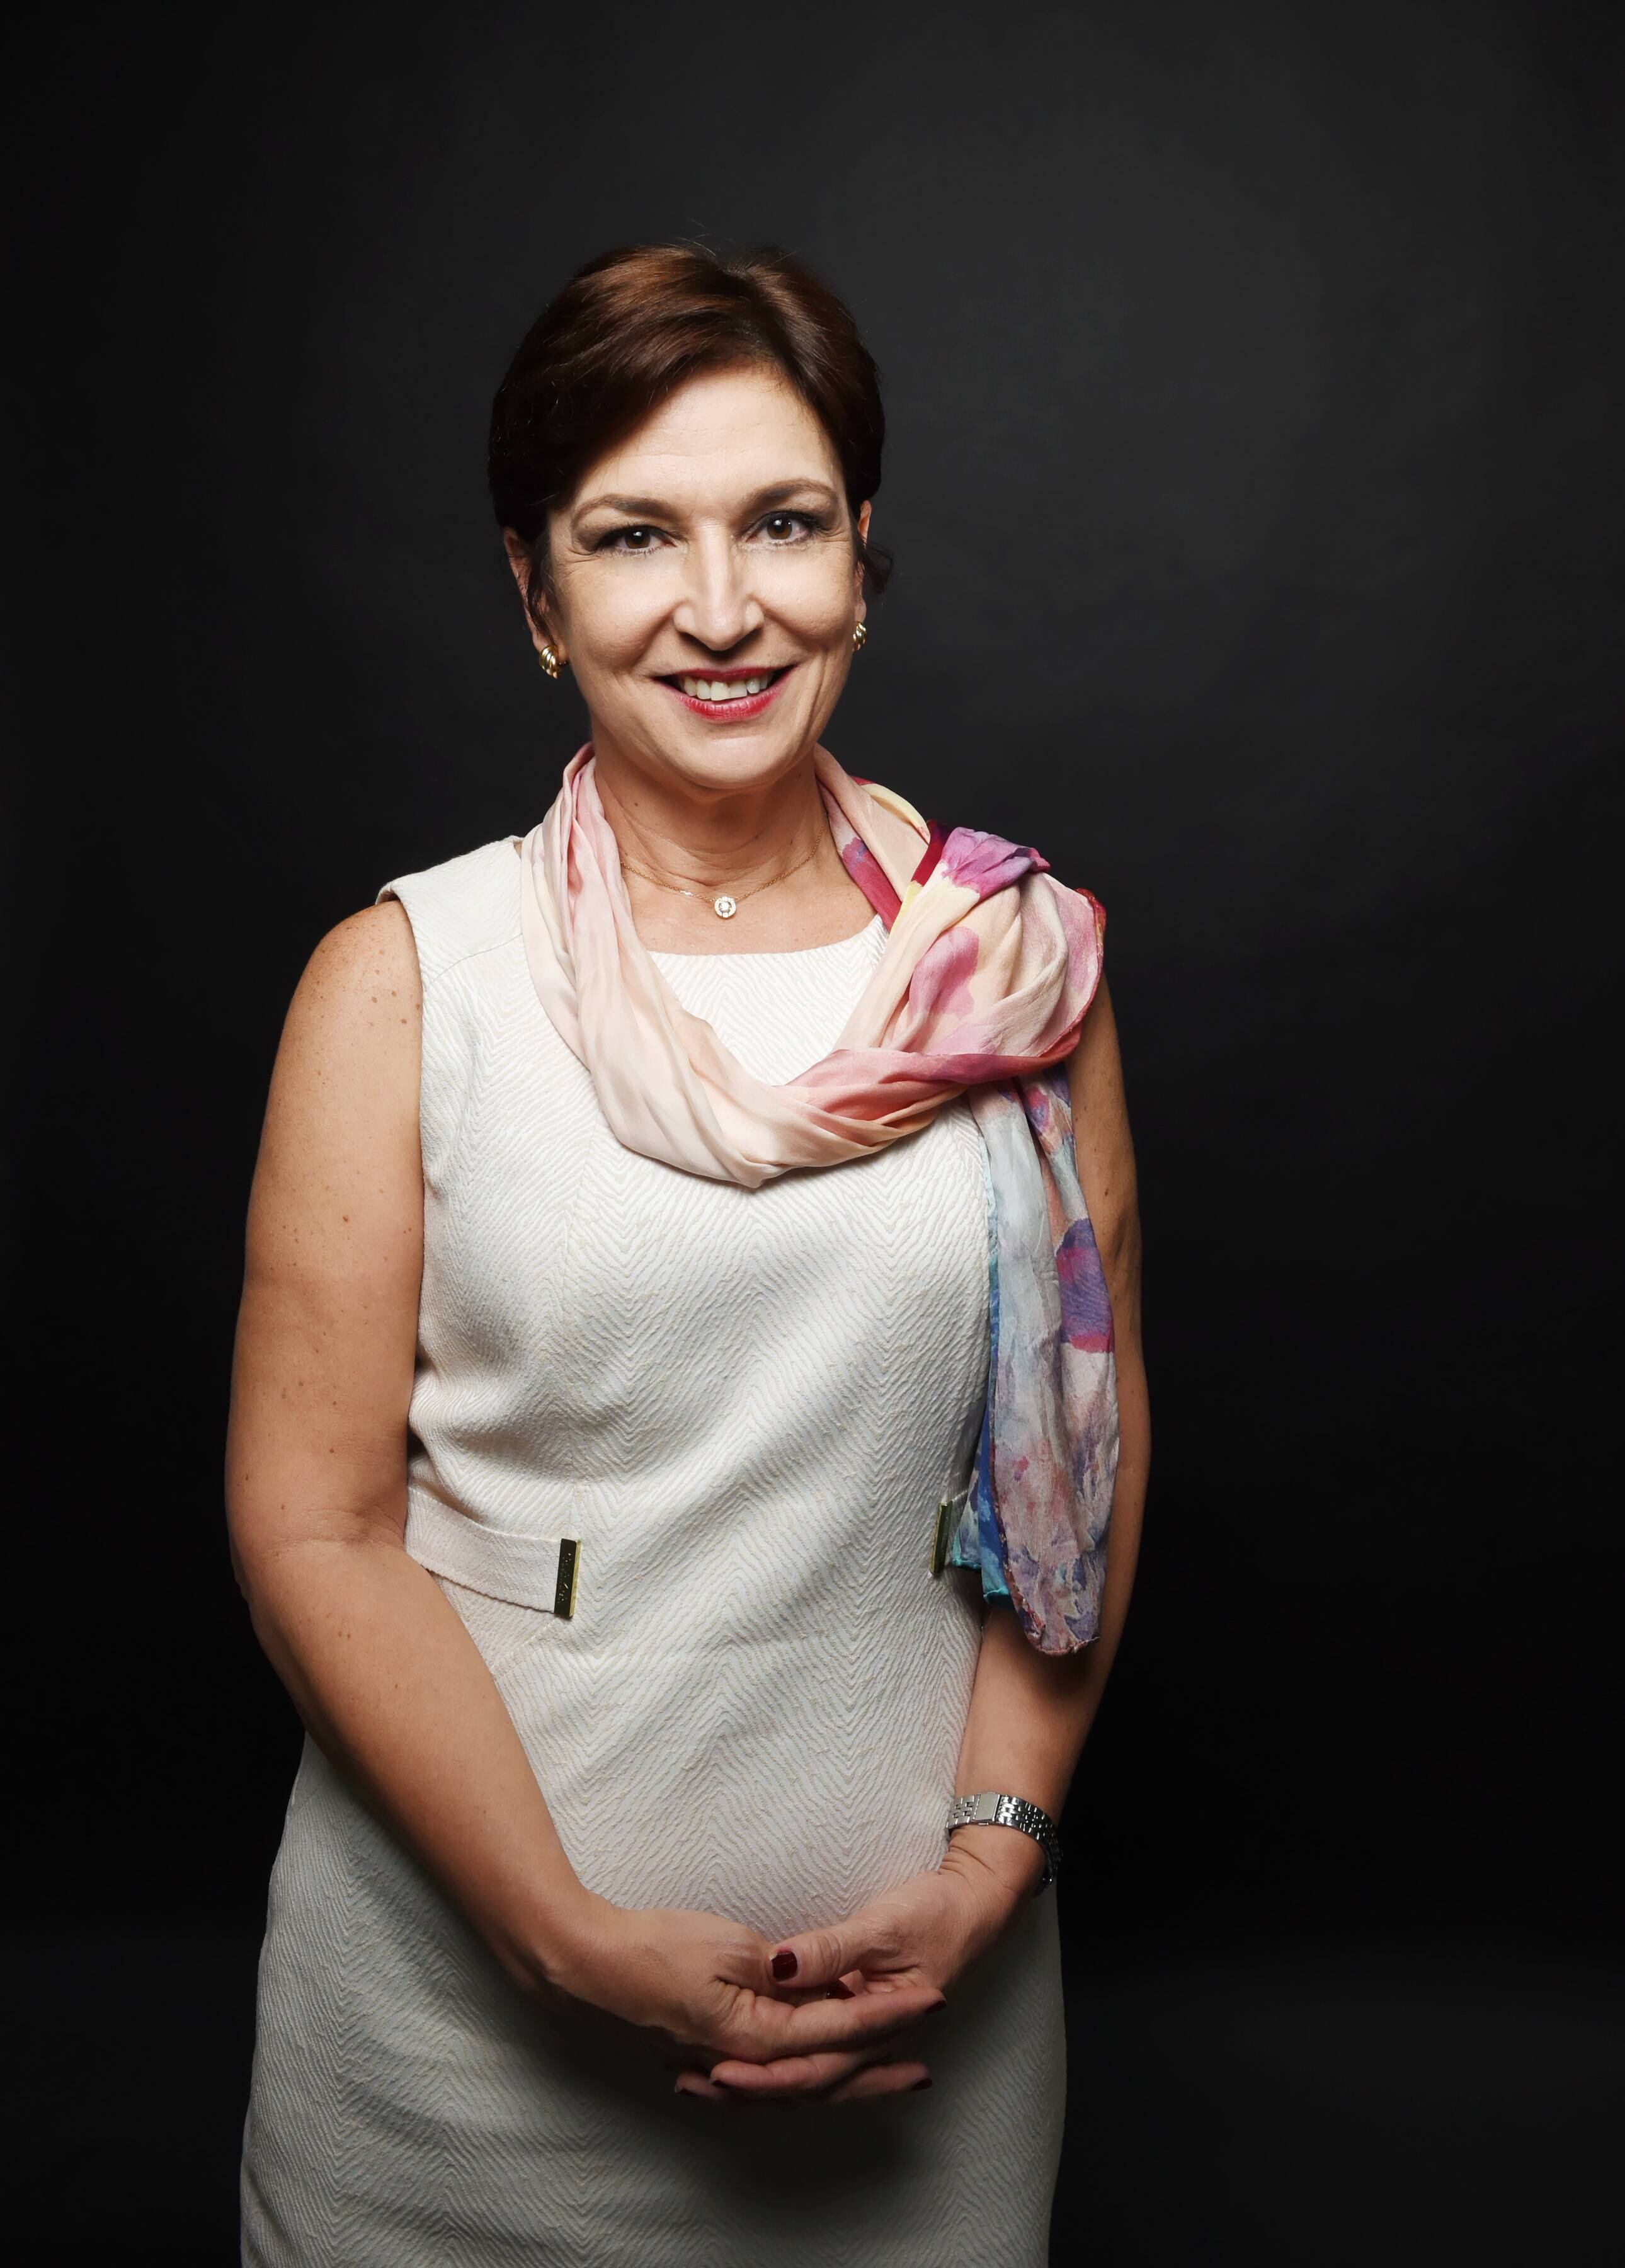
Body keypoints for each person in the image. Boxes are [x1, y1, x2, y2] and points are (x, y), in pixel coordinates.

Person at [231, 241, 1149, 2267]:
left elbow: (1090, 1459)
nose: (721, 608)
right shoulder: (403, 980)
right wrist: (554, 1938)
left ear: (861, 560)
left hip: (927, 2028)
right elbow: (315, 1527)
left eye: (782, 524)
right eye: (633, 533)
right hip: (461, 2053)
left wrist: (993, 1864)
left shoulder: (1013, 967)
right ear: (534, 593)